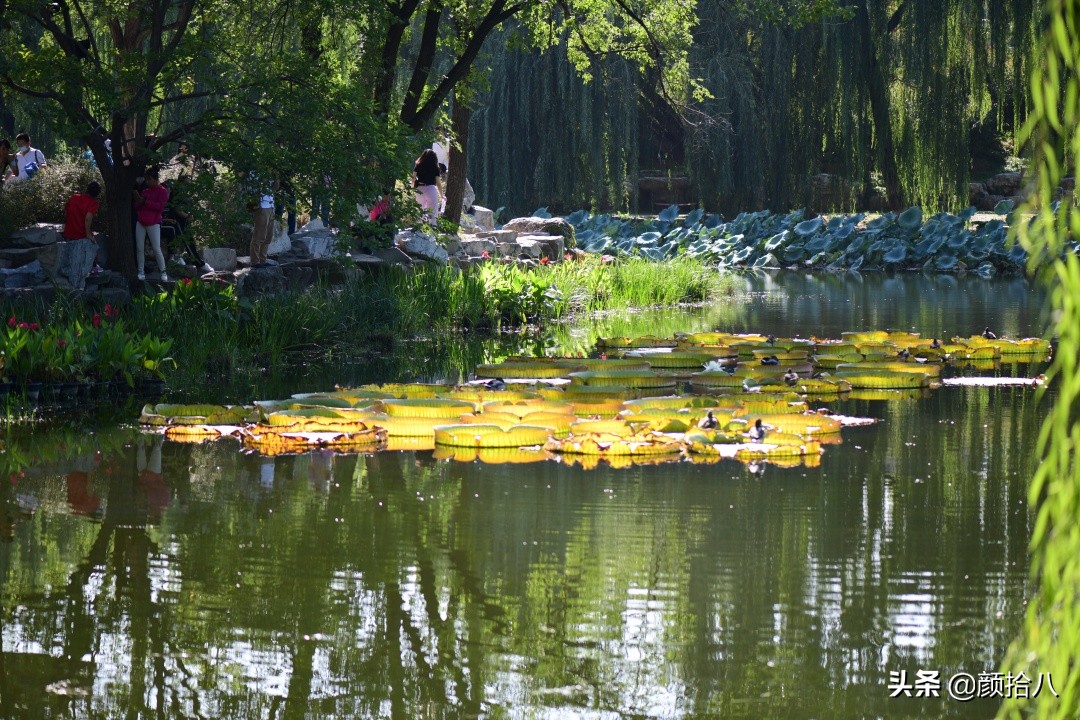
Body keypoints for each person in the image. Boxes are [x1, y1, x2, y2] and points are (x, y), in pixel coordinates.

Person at [162, 176, 212, 274]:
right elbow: (176, 209)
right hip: (178, 220)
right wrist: (186, 215)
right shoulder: (178, 192)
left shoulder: (184, 193)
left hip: (183, 220)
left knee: (189, 240)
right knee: (187, 240)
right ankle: (198, 263)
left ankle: (197, 262)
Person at [133, 168, 170, 281]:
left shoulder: (163, 191)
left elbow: (160, 207)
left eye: (149, 180)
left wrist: (146, 202)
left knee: (156, 248)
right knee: (139, 248)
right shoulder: (145, 191)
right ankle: (141, 272)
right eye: (146, 180)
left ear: (155, 179)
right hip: (141, 222)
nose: (147, 183)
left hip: (154, 223)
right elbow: (137, 207)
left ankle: (163, 273)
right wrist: (139, 201)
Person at [62, 181, 105, 274]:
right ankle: (93, 266)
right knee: (93, 245)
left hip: (69, 233)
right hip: (80, 234)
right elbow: (88, 218)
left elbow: (66, 213)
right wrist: (88, 234)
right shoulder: (93, 203)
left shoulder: (74, 197)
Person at [247, 174, 276, 266]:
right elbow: (255, 185)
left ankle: (263, 260)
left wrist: (277, 177)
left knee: (268, 237)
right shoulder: (255, 171)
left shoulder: (270, 171)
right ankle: (255, 262)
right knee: (259, 236)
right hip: (261, 206)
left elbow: (276, 188)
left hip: (271, 206)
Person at [413, 148, 443, 218]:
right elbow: (438, 183)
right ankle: (433, 226)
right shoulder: (435, 167)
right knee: (433, 212)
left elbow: (413, 178)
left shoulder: (418, 165)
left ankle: (419, 227)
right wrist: (442, 195)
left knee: (419, 211)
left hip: (419, 189)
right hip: (431, 189)